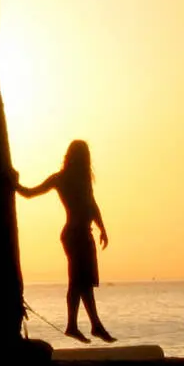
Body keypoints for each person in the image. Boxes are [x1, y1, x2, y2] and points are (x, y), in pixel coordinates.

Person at [17, 140, 114, 343]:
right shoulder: (61, 179)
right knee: (78, 281)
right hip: (74, 235)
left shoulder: (83, 180)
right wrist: (12, 182)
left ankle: (88, 325)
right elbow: (29, 193)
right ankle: (84, 325)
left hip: (85, 234)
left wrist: (102, 228)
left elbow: (92, 204)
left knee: (84, 282)